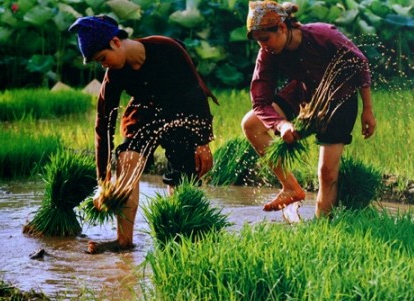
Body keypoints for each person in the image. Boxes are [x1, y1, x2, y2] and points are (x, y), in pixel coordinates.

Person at [69, 15, 218, 253]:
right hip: (144, 116)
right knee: (127, 159)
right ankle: (123, 241)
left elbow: (195, 91)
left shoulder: (168, 48)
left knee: (183, 176)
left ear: (116, 42)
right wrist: (103, 180)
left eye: (103, 58)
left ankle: (177, 234)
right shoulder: (114, 75)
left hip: (181, 115)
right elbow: (103, 123)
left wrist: (202, 142)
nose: (104, 66)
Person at [241, 1, 376, 220]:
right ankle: (291, 187)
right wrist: (281, 124)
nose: (263, 46)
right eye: (258, 42)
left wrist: (368, 109)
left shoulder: (323, 36)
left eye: (265, 39)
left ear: (283, 28)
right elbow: (260, 101)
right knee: (251, 124)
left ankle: (323, 225)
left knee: (326, 173)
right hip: (302, 94)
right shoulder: (268, 52)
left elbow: (359, 63)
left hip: (338, 101)